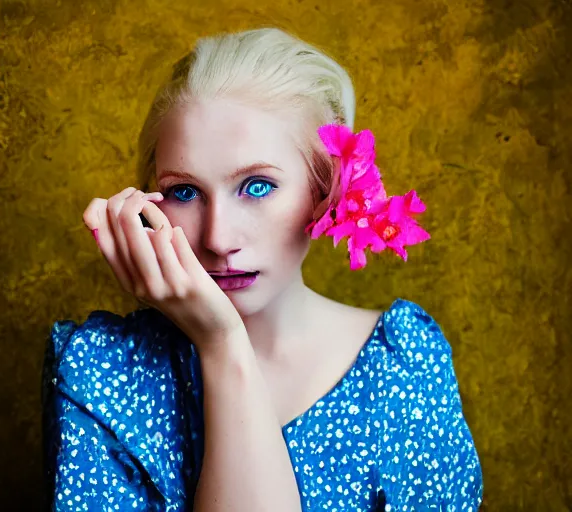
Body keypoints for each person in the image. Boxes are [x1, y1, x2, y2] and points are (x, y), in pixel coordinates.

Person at [42, 27, 484, 511]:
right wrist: (223, 344)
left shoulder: (405, 364)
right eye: (185, 193)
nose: (218, 239)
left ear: (328, 190)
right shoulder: (103, 370)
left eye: (256, 186)